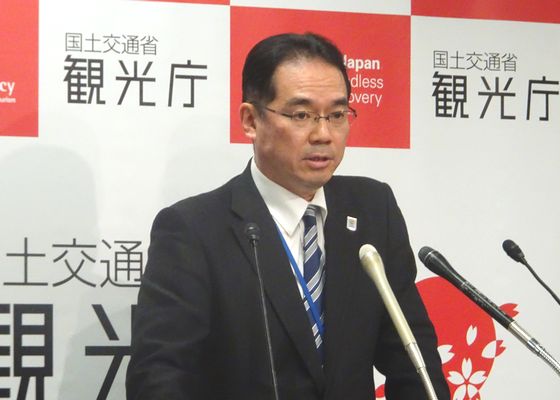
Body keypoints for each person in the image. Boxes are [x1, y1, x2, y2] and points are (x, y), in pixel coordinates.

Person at [126, 32, 450, 400]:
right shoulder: (194, 230)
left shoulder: (373, 209)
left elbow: (413, 358)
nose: (323, 134)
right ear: (251, 120)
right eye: (301, 115)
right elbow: (159, 379)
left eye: (337, 115)